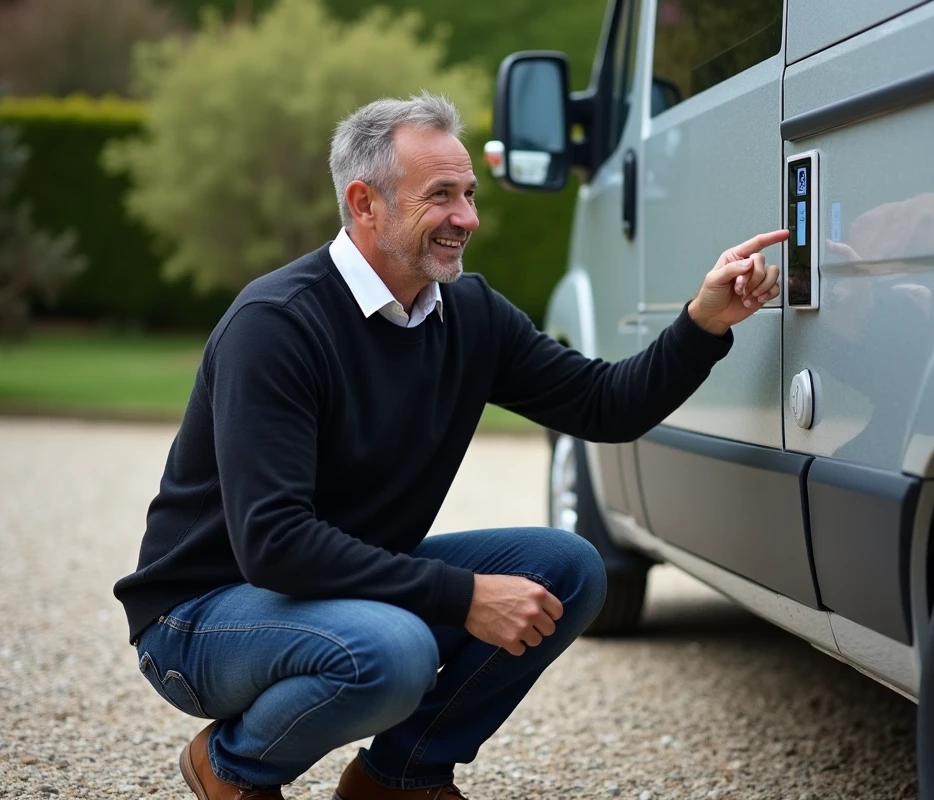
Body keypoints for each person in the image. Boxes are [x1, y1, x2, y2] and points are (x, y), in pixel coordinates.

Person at [112, 92, 787, 800]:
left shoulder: (468, 314)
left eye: (467, 193)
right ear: (364, 203)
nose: (467, 218)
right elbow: (274, 543)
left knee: (569, 567)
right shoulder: (277, 326)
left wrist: (702, 323)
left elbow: (605, 405)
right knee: (392, 654)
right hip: (202, 617)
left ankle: (399, 778)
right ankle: (233, 768)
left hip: (338, 592)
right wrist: (463, 595)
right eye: (441, 196)